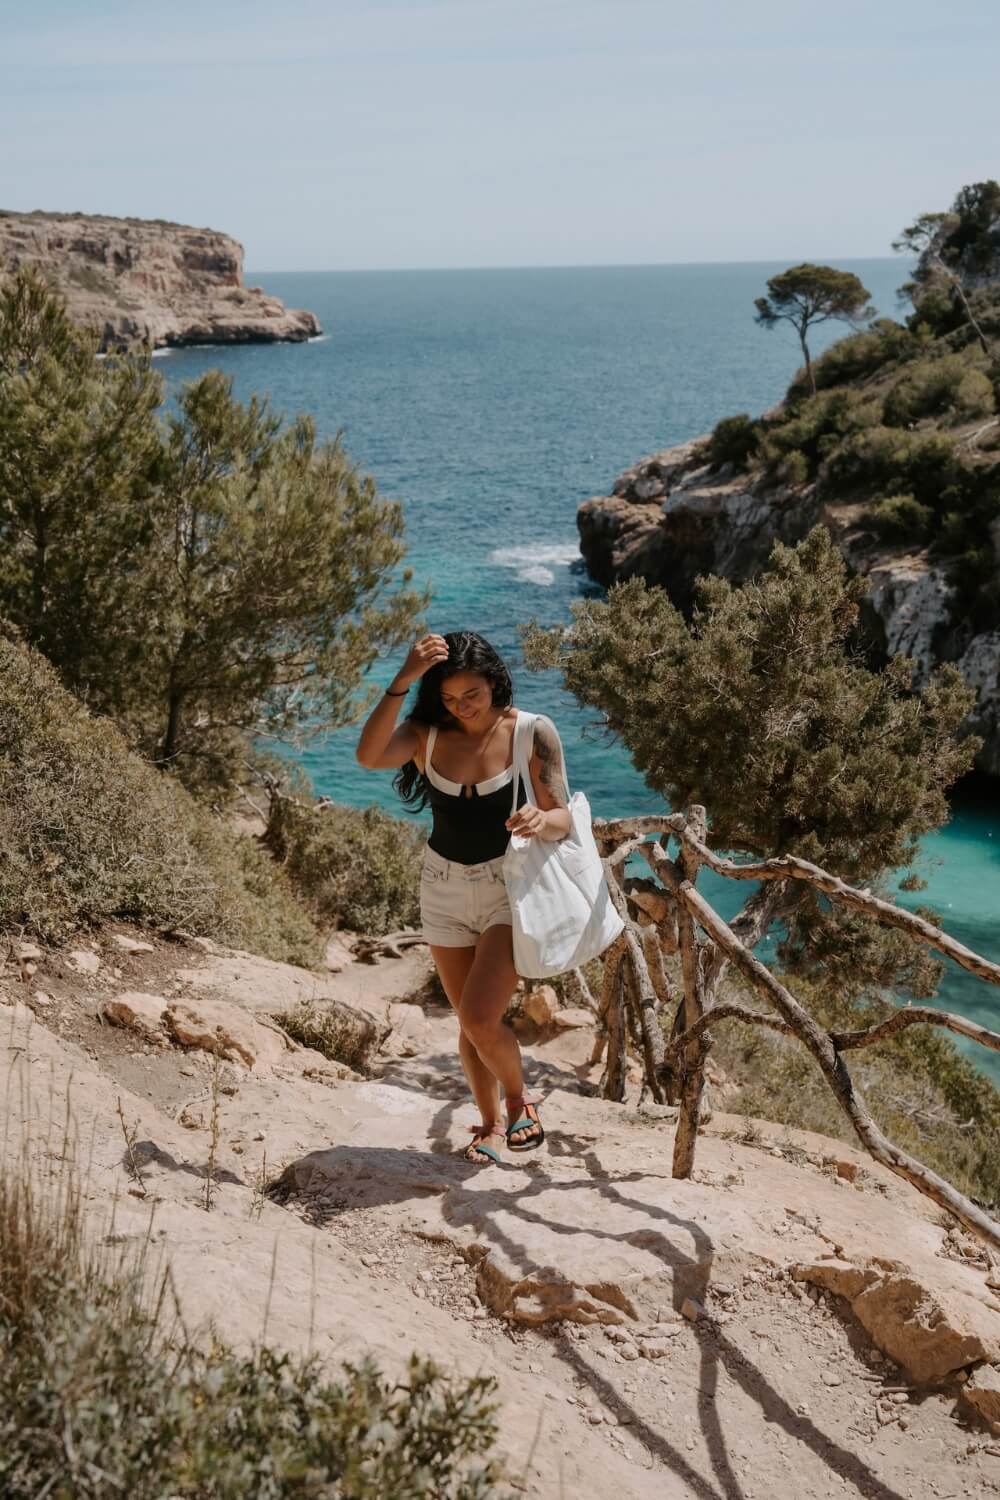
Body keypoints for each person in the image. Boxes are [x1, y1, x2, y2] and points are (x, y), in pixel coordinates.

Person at [355, 630, 571, 1163]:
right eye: (450, 699)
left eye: (471, 694)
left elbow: (564, 816)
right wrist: (402, 680)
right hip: (442, 888)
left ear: (494, 681)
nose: (462, 707)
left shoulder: (531, 733)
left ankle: (521, 1100)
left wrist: (542, 818)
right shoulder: (425, 735)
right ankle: (490, 1126)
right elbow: (368, 756)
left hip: (507, 887)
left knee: (479, 1017)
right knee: (470, 1025)